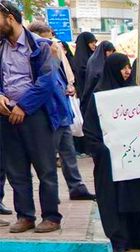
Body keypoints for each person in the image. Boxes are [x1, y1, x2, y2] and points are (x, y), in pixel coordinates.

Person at [0, 1, 72, 233]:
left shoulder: (41, 46)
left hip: (36, 115)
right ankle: (25, 216)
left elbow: (47, 81)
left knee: (45, 168)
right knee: (16, 169)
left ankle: (51, 216)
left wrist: (24, 106)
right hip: (6, 114)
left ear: (9, 17)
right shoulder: (1, 48)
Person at [82, 52, 140, 252]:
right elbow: (90, 131)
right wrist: (105, 148)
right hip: (110, 161)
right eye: (123, 67)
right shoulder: (100, 95)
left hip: (133, 158)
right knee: (115, 199)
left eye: (128, 67)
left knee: (138, 197)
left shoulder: (131, 93)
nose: (127, 71)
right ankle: (119, 239)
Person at [28, 22, 95, 202]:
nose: (52, 43)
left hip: (62, 108)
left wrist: (68, 86)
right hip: (49, 112)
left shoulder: (55, 53)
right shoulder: (35, 55)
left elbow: (62, 77)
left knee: (69, 152)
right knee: (49, 157)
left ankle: (76, 186)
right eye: (48, 38)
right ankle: (51, 195)